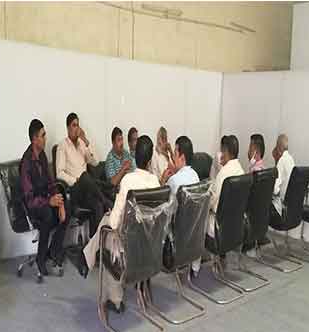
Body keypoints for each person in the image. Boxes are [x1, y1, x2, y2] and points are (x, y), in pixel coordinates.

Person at [83, 135, 160, 312]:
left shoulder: (128, 181)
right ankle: (86, 257)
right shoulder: (155, 182)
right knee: (107, 224)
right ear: (149, 161)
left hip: (128, 250)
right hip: (149, 248)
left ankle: (115, 299)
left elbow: (114, 223)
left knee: (106, 230)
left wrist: (111, 216)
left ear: (134, 157)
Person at [20, 119, 68, 276]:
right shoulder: (26, 163)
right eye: (43, 135)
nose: (45, 138)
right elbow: (29, 199)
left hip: (45, 201)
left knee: (68, 207)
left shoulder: (42, 156)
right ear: (35, 139)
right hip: (33, 206)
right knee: (48, 213)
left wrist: (60, 202)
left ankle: (52, 251)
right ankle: (40, 259)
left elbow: (51, 183)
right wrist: (49, 201)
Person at [56, 113, 112, 236]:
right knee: (86, 176)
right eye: (74, 125)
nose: (77, 128)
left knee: (98, 205)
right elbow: (59, 173)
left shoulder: (82, 144)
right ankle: (107, 199)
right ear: (68, 128)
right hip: (74, 190)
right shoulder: (62, 146)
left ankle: (94, 243)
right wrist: (75, 179)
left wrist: (86, 141)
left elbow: (96, 162)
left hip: (88, 190)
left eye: (78, 125)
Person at [160, 135, 201, 277]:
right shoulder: (195, 176)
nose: (173, 157)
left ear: (182, 157)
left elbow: (164, 208)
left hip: (178, 233)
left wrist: (163, 181)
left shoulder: (174, 181)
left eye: (175, 153)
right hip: (194, 232)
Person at [207, 135, 245, 238]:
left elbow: (212, 201)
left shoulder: (223, 173)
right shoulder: (241, 171)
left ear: (226, 151)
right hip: (235, 225)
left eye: (222, 151)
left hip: (217, 226)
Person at [270, 134, 295, 224]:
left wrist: (277, 161)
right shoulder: (291, 159)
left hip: (282, 206)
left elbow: (275, 190)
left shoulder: (282, 161)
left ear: (279, 148)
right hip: (292, 207)